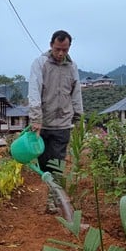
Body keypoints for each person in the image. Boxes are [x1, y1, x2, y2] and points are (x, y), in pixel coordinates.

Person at [28, 30, 83, 175]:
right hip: (43, 125)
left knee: (57, 167)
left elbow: (76, 94)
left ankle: (55, 195)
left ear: (69, 48)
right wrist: (36, 119)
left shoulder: (72, 67)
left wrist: (79, 119)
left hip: (62, 125)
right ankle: (48, 193)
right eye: (57, 49)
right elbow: (34, 91)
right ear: (51, 45)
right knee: (44, 166)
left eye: (64, 50)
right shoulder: (41, 63)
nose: (60, 53)